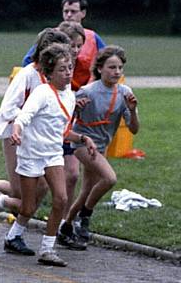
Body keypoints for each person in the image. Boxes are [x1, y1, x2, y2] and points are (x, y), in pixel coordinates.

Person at [0, 29, 71, 224]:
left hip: (38, 139)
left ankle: (15, 232)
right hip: (14, 134)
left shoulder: (57, 78)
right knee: (20, 192)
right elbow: (7, 109)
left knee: (40, 187)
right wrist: (29, 119)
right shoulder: (27, 75)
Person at [8, 43, 96, 267]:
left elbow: (63, 131)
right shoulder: (42, 93)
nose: (68, 73)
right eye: (62, 69)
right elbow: (24, 117)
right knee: (28, 208)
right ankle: (8, 223)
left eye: (70, 68)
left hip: (52, 154)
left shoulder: (70, 96)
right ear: (49, 73)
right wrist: (17, 130)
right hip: (31, 154)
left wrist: (83, 139)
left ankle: (47, 249)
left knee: (61, 198)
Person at [58, 46, 139, 247]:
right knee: (110, 178)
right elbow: (65, 121)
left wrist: (133, 111)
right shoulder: (88, 91)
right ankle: (85, 216)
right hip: (82, 143)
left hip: (101, 146)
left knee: (86, 191)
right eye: (112, 67)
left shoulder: (125, 93)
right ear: (100, 69)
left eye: (120, 68)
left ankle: (66, 226)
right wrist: (76, 109)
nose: (117, 72)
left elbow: (134, 129)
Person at [22, 0, 106, 91]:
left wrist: (91, 87)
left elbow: (106, 61)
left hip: (84, 91)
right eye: (66, 11)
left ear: (83, 13)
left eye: (73, 11)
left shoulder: (92, 37)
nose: (69, 15)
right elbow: (29, 60)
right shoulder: (51, 35)